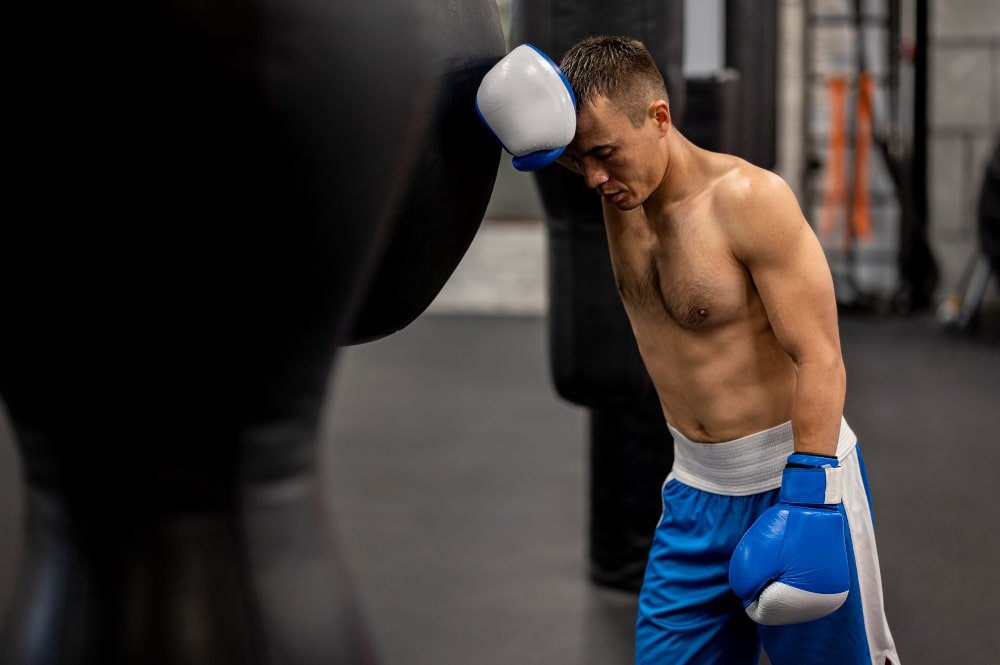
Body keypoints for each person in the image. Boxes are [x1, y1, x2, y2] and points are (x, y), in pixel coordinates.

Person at [477, 36, 900, 665]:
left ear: (659, 117)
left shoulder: (751, 202)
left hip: (795, 482)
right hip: (694, 491)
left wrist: (811, 501)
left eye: (604, 154)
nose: (593, 177)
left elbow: (821, 357)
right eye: (575, 160)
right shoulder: (624, 193)